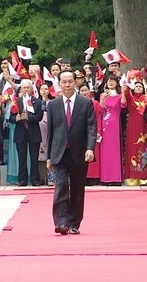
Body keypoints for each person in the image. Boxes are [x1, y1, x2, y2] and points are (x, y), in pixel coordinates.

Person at [46, 70, 96, 235]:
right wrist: (48, 157)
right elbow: (50, 132)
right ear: (59, 83)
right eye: (64, 82)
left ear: (76, 82)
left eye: (70, 81)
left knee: (77, 188)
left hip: (79, 152)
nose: (67, 85)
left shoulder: (86, 103)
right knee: (60, 186)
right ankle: (61, 222)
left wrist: (90, 148)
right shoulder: (53, 104)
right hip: (59, 153)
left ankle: (74, 222)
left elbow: (91, 128)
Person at [10, 79, 43, 186]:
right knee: (22, 158)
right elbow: (11, 118)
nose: (26, 89)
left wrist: (29, 117)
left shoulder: (37, 102)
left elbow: (39, 116)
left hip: (33, 133)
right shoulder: (16, 102)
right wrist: (17, 118)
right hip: (20, 133)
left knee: (34, 158)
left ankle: (35, 180)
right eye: (24, 87)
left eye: (28, 87)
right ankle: (22, 180)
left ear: (32, 89)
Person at [99, 74, 126, 185]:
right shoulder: (102, 94)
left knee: (114, 150)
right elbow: (100, 109)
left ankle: (116, 178)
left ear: (116, 83)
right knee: (104, 151)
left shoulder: (119, 96)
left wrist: (123, 92)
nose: (110, 83)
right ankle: (105, 178)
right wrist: (103, 98)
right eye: (109, 81)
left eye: (113, 81)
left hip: (115, 125)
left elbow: (124, 105)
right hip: (104, 124)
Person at [122, 81, 147, 186]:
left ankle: (143, 177)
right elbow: (126, 93)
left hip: (143, 127)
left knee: (143, 149)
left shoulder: (146, 98)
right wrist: (125, 86)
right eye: (136, 86)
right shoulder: (131, 98)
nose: (138, 88)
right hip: (132, 127)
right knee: (132, 149)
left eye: (140, 86)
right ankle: (131, 178)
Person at [79, 84, 102, 185]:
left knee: (93, 154)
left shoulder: (95, 103)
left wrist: (98, 131)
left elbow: (98, 118)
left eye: (86, 90)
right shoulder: (76, 103)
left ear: (90, 91)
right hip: (79, 133)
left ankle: (94, 178)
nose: (84, 92)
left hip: (92, 132)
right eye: (82, 90)